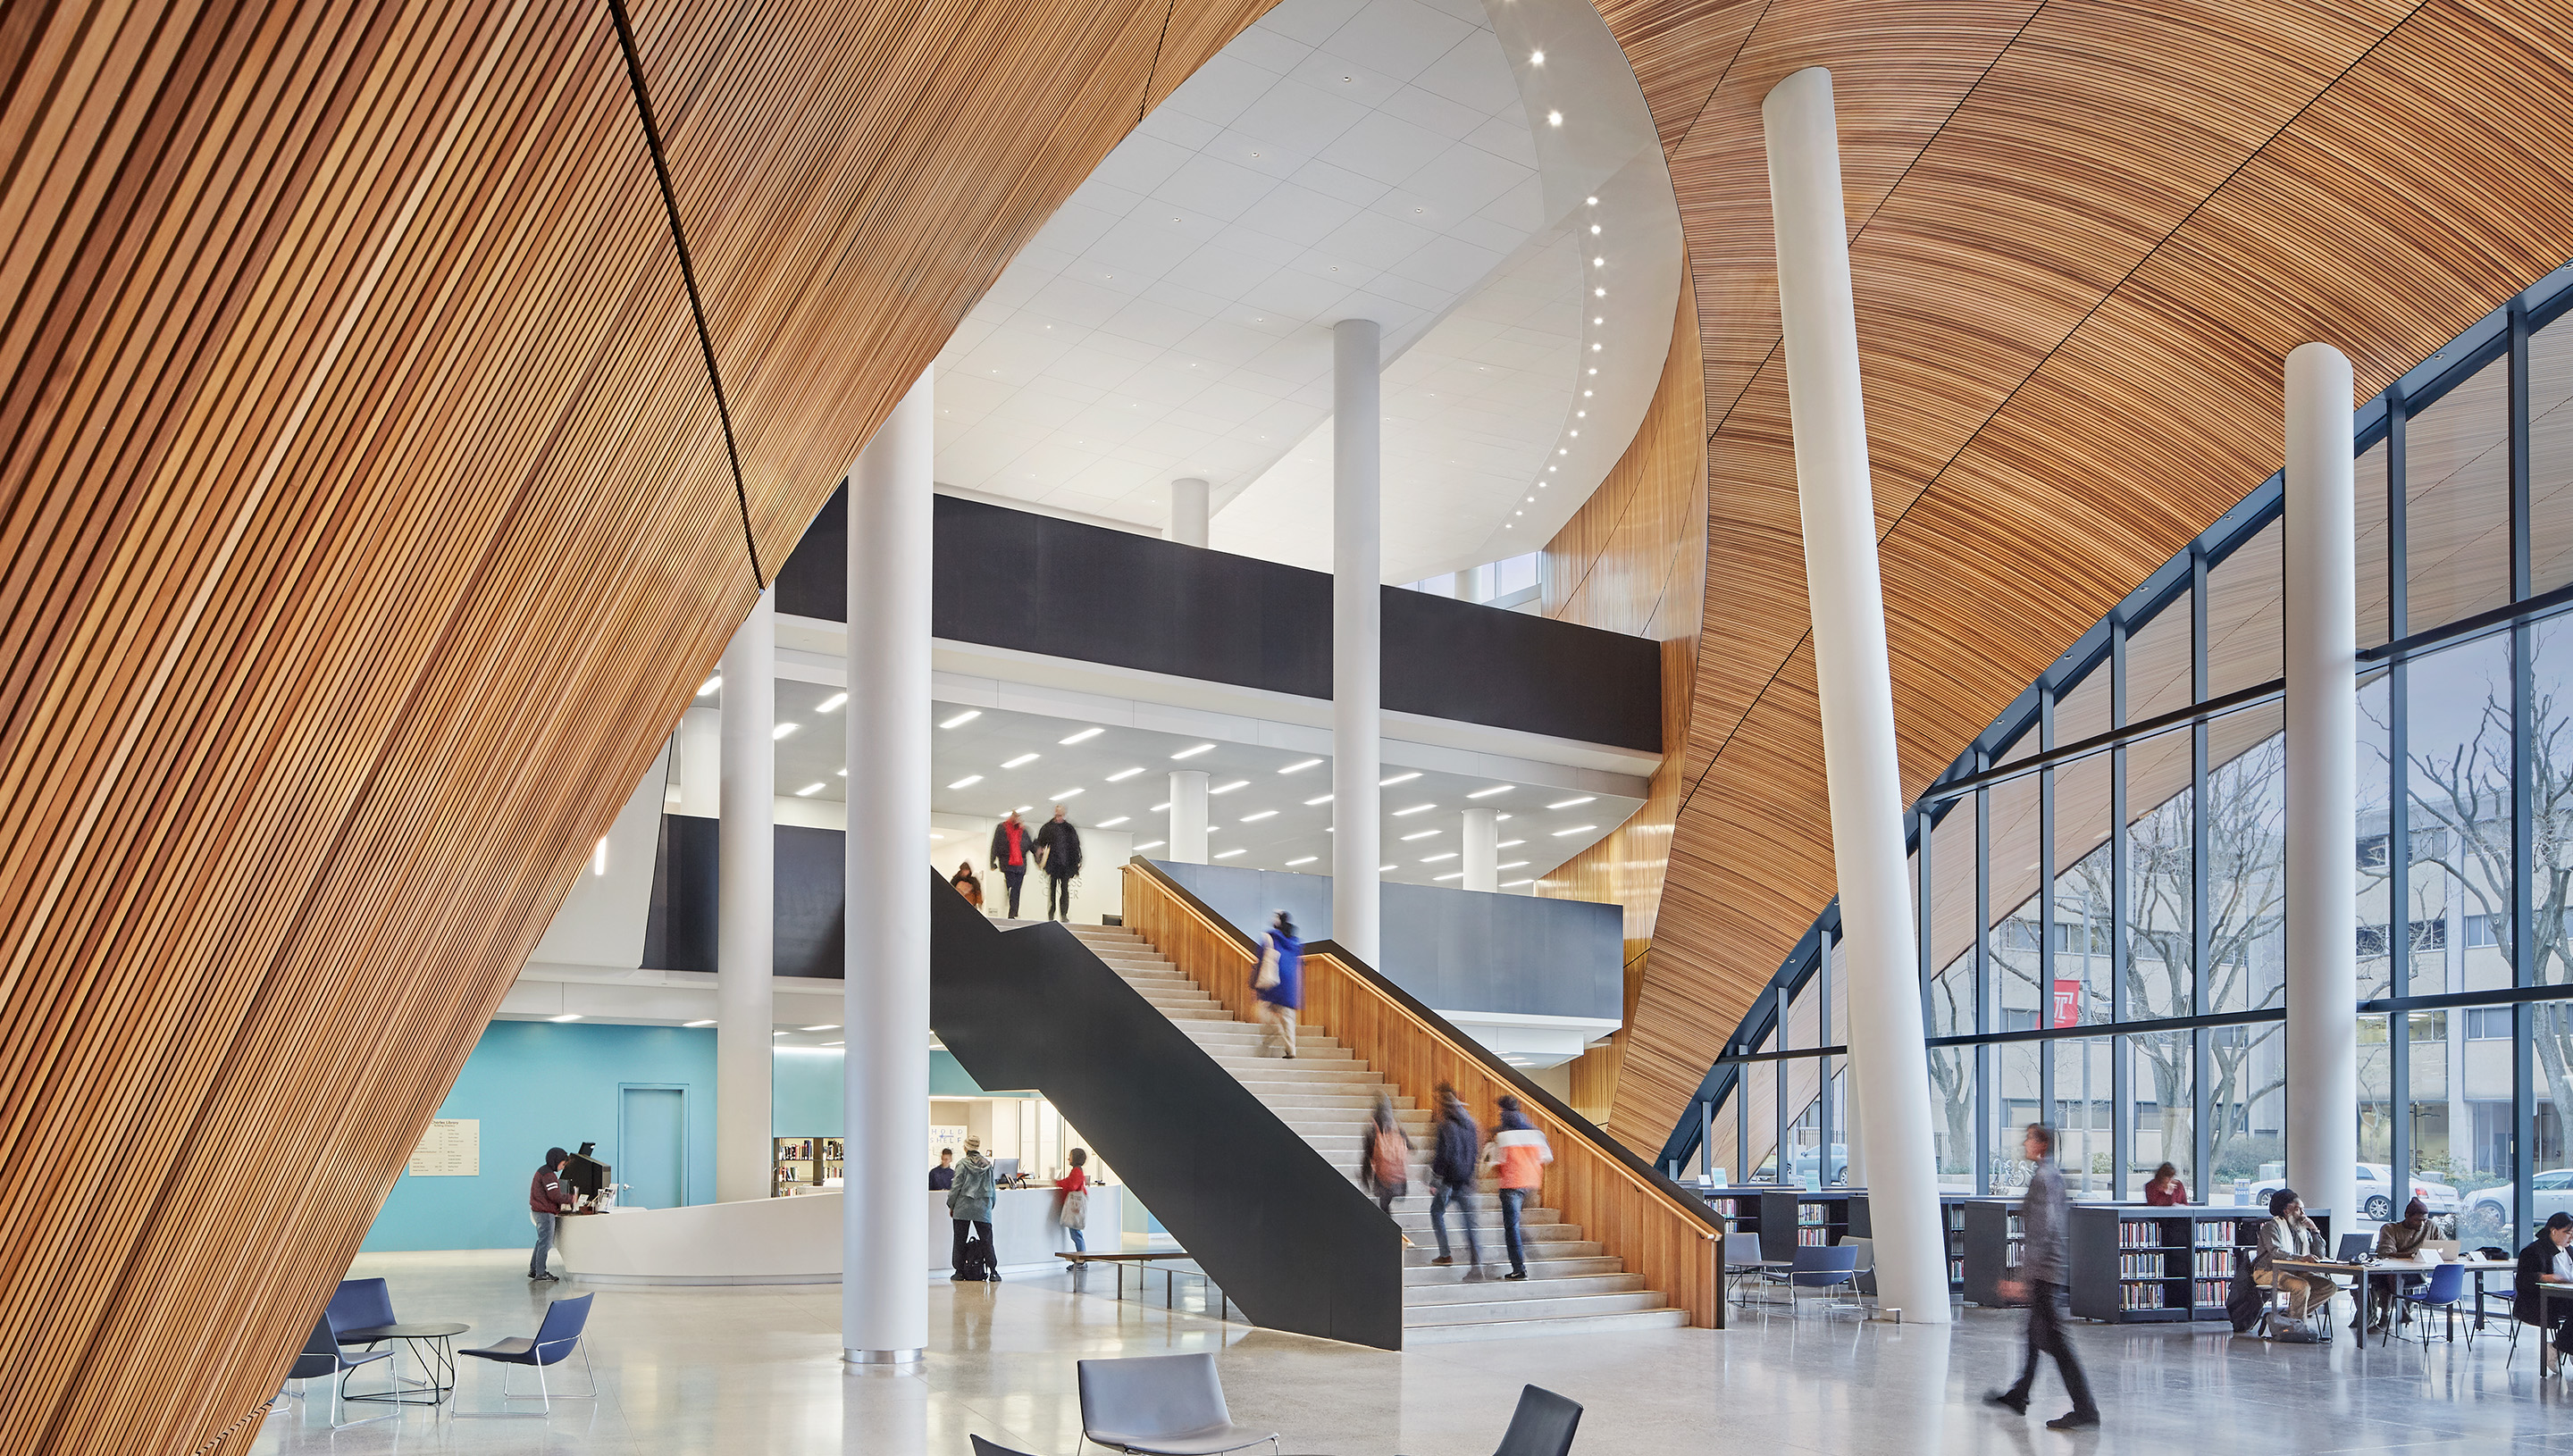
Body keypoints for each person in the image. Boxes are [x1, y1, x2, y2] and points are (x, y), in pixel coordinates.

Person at [1985, 1124, 2099, 1430]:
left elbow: (2043, 1232)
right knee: (2033, 1335)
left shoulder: (2045, 1179)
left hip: (2045, 1273)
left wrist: (2024, 1277)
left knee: (2058, 1344)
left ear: (2042, 1144)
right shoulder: (2048, 1176)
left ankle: (2086, 1409)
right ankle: (2020, 1394)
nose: (2024, 1142)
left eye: (2029, 1137)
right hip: (2046, 1270)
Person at [2252, 1187, 2335, 1332]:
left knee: (2329, 1286)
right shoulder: (2271, 1227)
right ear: (2287, 1211)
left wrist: (2315, 1230)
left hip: (2294, 1270)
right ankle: (2297, 1328)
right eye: (2299, 1210)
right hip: (2267, 1271)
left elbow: (2319, 1254)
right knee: (2301, 1286)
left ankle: (2288, 1318)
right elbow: (2276, 1251)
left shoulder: (2301, 1230)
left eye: (2303, 1210)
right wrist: (2302, 1258)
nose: (2303, 1214)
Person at [1488, 1094, 1550, 1282]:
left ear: (1503, 1113)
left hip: (1511, 1186)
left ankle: (1519, 1268)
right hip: (1531, 1185)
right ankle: (1527, 1255)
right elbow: (1546, 1158)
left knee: (1511, 1227)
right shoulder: (1536, 1133)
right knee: (1516, 1224)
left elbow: (1496, 1162)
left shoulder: (1502, 1136)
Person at [1428, 1083, 1483, 1275]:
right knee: (1470, 1226)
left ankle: (1445, 1255)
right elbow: (1476, 1151)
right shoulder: (1471, 1123)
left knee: (1436, 1212)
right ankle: (1476, 1265)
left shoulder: (1446, 1125)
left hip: (1450, 1182)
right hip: (1467, 1181)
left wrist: (1435, 1181)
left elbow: (1443, 1155)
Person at [2516, 1210, 2573, 1375]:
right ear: (2554, 1231)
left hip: (2566, 1298)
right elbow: (2523, 1280)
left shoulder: (2569, 1251)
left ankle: (2564, 1346)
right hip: (2540, 1302)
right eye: (2568, 1233)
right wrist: (2545, 1277)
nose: (2571, 1238)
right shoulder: (2533, 1251)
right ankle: (2558, 1347)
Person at [947, 1136, 1000, 1282]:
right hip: (982, 1207)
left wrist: (951, 1204)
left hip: (963, 1206)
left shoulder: (962, 1164)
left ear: (966, 1148)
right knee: (987, 1240)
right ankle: (993, 1271)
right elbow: (992, 1188)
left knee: (959, 1239)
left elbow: (956, 1186)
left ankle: (959, 1271)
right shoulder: (988, 1165)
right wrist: (991, 1205)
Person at [1254, 910, 1302, 1058]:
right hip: (1291, 988)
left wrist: (1254, 984)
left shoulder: (1269, 938)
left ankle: (1266, 1042)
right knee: (1288, 1019)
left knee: (1267, 1014)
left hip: (1273, 984)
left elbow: (1261, 961)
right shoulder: (1295, 943)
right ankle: (1291, 1049)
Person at [528, 1146, 575, 1283]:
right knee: (545, 1243)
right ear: (556, 1161)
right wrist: (571, 1198)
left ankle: (535, 1269)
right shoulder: (549, 1175)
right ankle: (541, 1273)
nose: (563, 1167)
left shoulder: (543, 1171)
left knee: (541, 1241)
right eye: (563, 1163)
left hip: (539, 1211)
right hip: (545, 1213)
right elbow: (554, 1196)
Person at [1361, 1096, 1412, 1216]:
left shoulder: (1372, 1131)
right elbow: (1410, 1146)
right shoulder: (1397, 1129)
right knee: (1384, 1204)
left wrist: (1365, 1178)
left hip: (1383, 1177)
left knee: (1383, 1206)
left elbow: (1367, 1157)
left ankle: (1388, 1229)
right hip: (1398, 1177)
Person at [1034, 804, 1083, 922]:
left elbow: (1076, 846)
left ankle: (1064, 914)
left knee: (1065, 890)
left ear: (1064, 814)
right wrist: (1039, 853)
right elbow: (1040, 843)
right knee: (1052, 890)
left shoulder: (1069, 829)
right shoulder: (1047, 827)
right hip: (1053, 864)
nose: (1058, 817)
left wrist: (1078, 861)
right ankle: (1051, 914)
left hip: (1066, 864)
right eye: (1056, 815)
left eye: (1060, 815)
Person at [988, 810, 1033, 918]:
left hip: (1020, 864)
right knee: (1012, 887)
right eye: (1015, 815)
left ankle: (1013, 912)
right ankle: (1012, 910)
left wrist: (1039, 857)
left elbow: (1030, 845)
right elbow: (995, 844)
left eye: (1019, 816)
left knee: (1017, 889)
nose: (1017, 818)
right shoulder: (1001, 828)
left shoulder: (1024, 831)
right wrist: (992, 861)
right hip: (1007, 862)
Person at [1056, 1147, 1091, 1253]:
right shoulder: (1078, 1171)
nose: (1068, 1159)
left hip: (1074, 1207)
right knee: (1076, 1234)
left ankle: (1081, 1260)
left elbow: (1072, 1185)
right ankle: (1081, 1260)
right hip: (1076, 1206)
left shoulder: (1076, 1171)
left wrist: (1058, 1183)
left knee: (1076, 1234)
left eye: (1070, 1157)